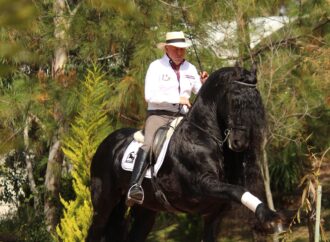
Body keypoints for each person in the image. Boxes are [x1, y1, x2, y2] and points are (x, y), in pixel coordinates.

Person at [126, 31, 208, 206]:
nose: (180, 52)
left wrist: (204, 84)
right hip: (159, 115)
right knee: (149, 144)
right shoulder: (156, 67)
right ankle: (135, 187)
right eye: (176, 49)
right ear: (167, 48)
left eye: (182, 49)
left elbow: (199, 93)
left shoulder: (191, 68)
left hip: (184, 116)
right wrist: (176, 99)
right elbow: (149, 95)